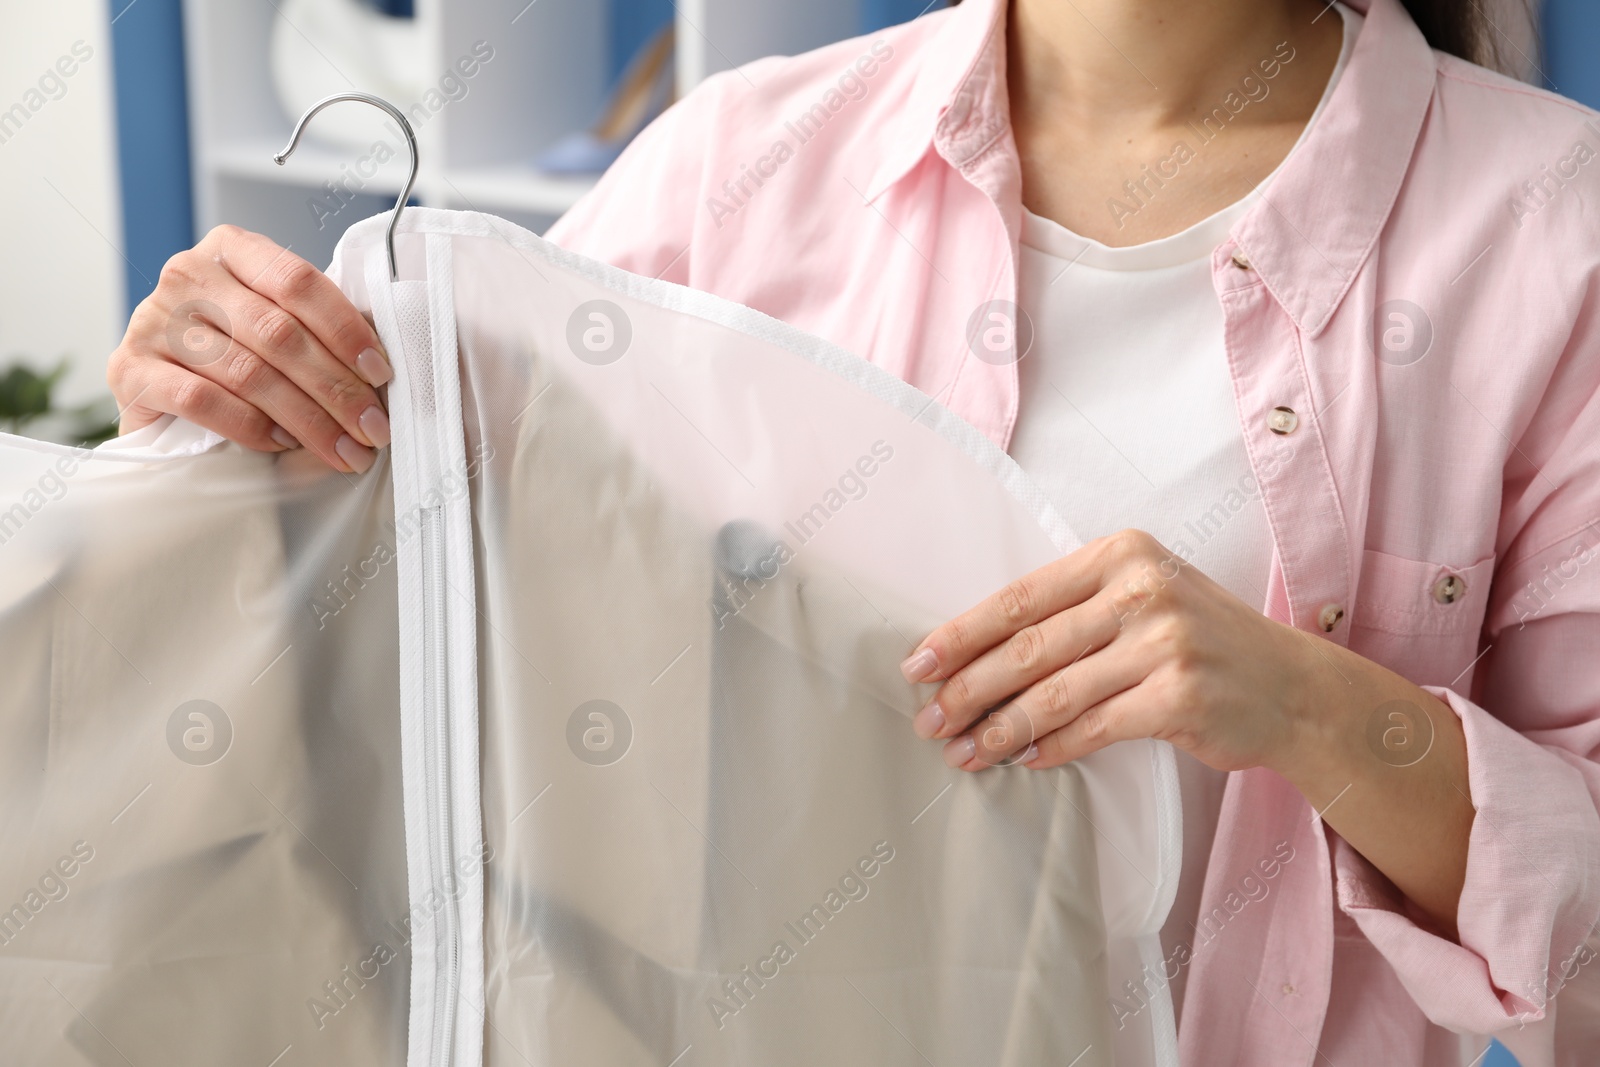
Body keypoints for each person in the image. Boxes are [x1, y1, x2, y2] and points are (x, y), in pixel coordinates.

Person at [107, 0, 1600, 1062]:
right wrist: (224, 421)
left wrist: (1315, 708)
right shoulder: (730, 169)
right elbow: (394, 654)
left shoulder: (1550, 228)